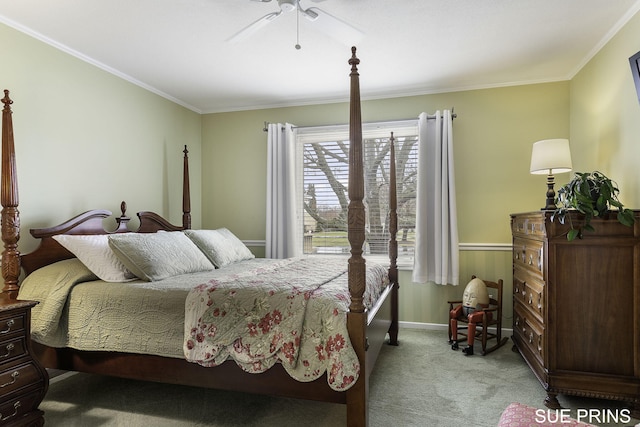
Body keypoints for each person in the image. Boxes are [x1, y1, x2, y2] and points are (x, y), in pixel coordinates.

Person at [449, 277, 490, 356]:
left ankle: (470, 347)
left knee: (472, 318)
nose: (468, 299)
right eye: (466, 296)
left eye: (472, 297)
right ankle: (455, 341)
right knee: (453, 313)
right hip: (465, 311)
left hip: (480, 312)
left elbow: (483, 306)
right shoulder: (466, 301)